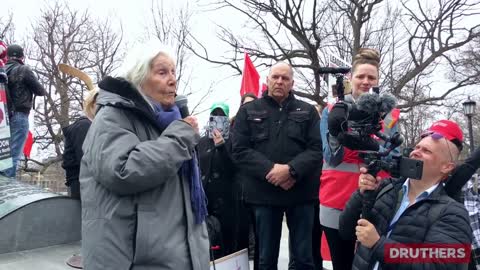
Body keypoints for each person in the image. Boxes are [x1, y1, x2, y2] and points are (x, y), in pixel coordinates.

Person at [79, 44, 210, 270]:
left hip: (174, 257)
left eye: (173, 72)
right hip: (133, 260)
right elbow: (123, 170)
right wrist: (179, 138)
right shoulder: (112, 117)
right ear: (138, 78)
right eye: (162, 72)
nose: (172, 80)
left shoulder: (167, 123)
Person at [339, 119, 472, 270]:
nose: (415, 152)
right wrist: (361, 194)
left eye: (426, 151)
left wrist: (379, 244)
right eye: (417, 147)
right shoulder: (385, 187)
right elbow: (345, 230)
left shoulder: (454, 213)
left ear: (446, 167)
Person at [232, 62, 323, 270]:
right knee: (265, 259)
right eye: (275, 77)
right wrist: (270, 170)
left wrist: (291, 170)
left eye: (285, 78)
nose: (279, 81)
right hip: (264, 194)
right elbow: (239, 150)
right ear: (267, 80)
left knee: (304, 259)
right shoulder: (248, 111)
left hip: (300, 193)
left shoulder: (308, 111)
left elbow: (317, 149)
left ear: (292, 83)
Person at [319, 48, 400, 270]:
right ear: (351, 79)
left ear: (377, 80)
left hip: (377, 201)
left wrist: (372, 144)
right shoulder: (332, 110)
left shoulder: (389, 113)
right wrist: (337, 133)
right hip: (337, 202)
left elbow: (395, 158)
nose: (365, 81)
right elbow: (330, 157)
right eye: (360, 76)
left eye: (371, 77)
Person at [1, 44, 46, 178]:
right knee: (13, 156)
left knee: (3, 157)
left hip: (3, 118)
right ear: (22, 57)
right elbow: (40, 91)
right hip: (19, 115)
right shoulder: (23, 69)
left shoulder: (2, 70)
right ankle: (7, 192)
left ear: (8, 56)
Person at [198, 102, 235, 257]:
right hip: (206, 198)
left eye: (222, 116)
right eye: (215, 115)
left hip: (227, 200)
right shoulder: (201, 141)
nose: (218, 119)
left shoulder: (234, 139)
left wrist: (221, 146)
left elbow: (233, 168)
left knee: (226, 242)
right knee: (206, 241)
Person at [61, 88, 98, 199]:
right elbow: (86, 159)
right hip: (83, 184)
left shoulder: (92, 126)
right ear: (91, 105)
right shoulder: (84, 126)